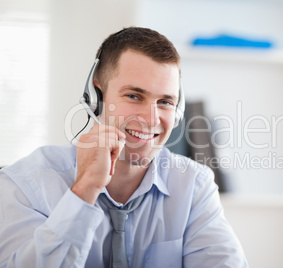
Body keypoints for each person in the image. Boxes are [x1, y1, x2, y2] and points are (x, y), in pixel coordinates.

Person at [0, 27, 248, 267]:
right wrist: (84, 191)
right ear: (96, 97)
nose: (151, 119)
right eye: (134, 96)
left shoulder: (194, 186)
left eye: (164, 101)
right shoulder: (25, 186)